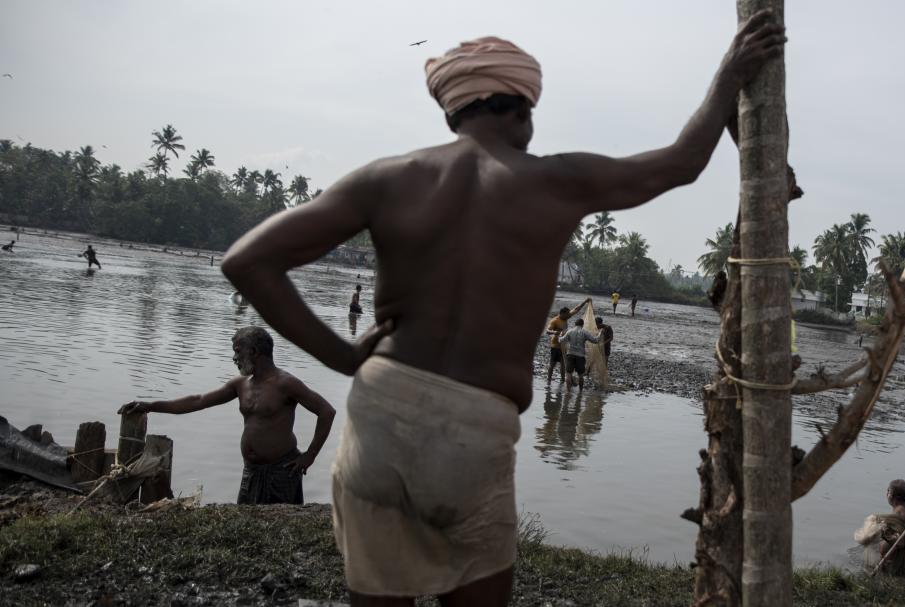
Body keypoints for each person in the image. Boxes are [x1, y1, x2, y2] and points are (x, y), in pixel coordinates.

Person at [220, 15, 786, 605]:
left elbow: (247, 260)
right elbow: (679, 164)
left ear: (452, 113)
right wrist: (729, 76)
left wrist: (341, 354)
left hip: (380, 414)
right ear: (520, 109)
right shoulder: (554, 180)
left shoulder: (387, 178)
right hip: (475, 425)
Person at [117, 327, 336, 505]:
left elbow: (326, 411)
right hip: (251, 471)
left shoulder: (286, 383)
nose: (234, 358)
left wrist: (310, 455)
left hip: (281, 471)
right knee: (248, 526)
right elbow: (198, 400)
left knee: (279, 530)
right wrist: (150, 406)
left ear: (254, 351)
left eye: (238, 351)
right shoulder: (241, 385)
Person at [879, 479, 905, 576]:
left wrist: (883, 560)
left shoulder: (897, 514)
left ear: (892, 495)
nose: (886, 493)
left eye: (888, 491)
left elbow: (899, 543)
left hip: (901, 565)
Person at [545, 299, 590, 384]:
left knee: (564, 364)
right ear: (562, 313)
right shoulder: (554, 320)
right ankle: (549, 381)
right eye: (567, 314)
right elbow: (547, 330)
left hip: (563, 345)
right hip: (555, 345)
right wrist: (555, 332)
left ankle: (562, 381)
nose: (568, 316)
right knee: (552, 364)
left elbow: (576, 309)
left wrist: (584, 301)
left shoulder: (566, 317)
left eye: (568, 314)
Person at [559, 318, 602, 391]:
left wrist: (560, 335)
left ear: (575, 324)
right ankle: (580, 392)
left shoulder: (570, 331)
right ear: (582, 325)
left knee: (568, 374)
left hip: (570, 354)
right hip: (580, 356)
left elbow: (561, 340)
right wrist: (600, 333)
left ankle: (568, 391)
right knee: (581, 375)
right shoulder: (585, 332)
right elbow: (595, 340)